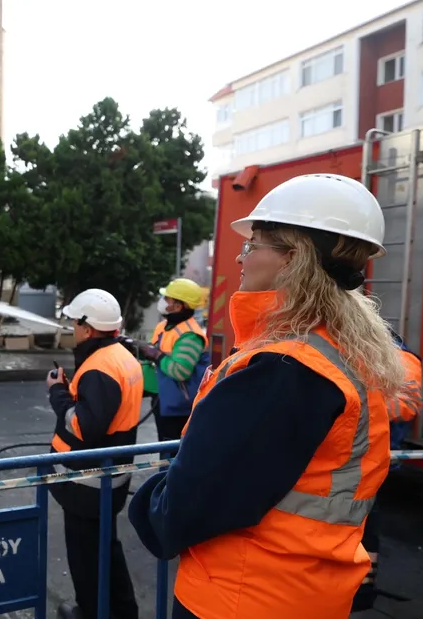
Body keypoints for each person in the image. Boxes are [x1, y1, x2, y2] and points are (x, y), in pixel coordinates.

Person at [127, 173, 407, 619]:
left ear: (292, 258)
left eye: (253, 244)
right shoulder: (340, 351)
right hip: (303, 594)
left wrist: (148, 503)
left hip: (242, 598)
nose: (240, 257)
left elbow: (187, 507)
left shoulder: (284, 369)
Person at [47, 288, 143, 619]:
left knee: (85, 557)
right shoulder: (119, 357)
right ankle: (122, 611)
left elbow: (86, 426)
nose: (72, 329)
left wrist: (58, 393)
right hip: (106, 480)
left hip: (85, 485)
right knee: (106, 549)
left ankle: (91, 613)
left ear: (88, 328)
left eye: (74, 323)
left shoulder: (99, 367)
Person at [351, 332, 423, 612]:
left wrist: (356, 405)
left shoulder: (402, 361)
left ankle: (362, 592)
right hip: (361, 456)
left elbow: (405, 406)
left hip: (370, 458)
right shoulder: (378, 356)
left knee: (365, 526)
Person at [136, 278, 211, 441]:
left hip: (177, 406)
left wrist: (156, 355)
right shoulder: (164, 326)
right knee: (163, 444)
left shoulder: (190, 335)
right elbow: (154, 352)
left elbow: (180, 371)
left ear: (178, 306)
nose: (162, 302)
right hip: (160, 396)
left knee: (171, 449)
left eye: (167, 299)